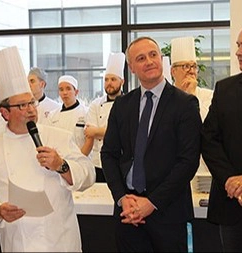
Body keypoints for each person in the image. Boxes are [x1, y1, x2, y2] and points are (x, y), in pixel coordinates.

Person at [0, 46, 95, 252]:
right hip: (18, 241)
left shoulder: (58, 136)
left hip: (59, 239)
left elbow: (88, 175)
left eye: (32, 103)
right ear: (4, 112)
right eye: (22, 106)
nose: (30, 110)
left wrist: (61, 165)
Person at [100, 36, 202, 252]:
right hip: (128, 213)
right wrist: (120, 198)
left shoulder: (185, 104)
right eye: (141, 58)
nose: (149, 61)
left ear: (161, 58)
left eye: (153, 55)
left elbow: (188, 161)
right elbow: (109, 154)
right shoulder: (122, 105)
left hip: (168, 212)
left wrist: (151, 203)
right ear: (132, 67)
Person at [201, 20, 242, 252]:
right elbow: (209, 140)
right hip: (231, 206)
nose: (238, 51)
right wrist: (232, 181)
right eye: (238, 45)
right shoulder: (225, 89)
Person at [170, 36, 213, 193]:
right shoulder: (165, 98)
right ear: (173, 71)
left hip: (203, 172)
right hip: (172, 172)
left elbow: (206, 127)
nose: (191, 71)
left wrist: (192, 95)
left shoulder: (209, 96)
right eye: (185, 66)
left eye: (194, 66)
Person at [83, 52, 125, 182]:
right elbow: (89, 132)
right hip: (98, 162)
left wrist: (97, 131)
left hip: (121, 162)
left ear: (122, 81)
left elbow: (123, 133)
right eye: (106, 80)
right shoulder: (96, 104)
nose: (109, 83)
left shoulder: (128, 103)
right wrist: (101, 131)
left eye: (113, 79)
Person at [47, 75, 89, 152]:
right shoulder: (52, 115)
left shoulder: (86, 113)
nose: (65, 93)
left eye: (68, 89)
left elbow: (89, 141)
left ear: (76, 92)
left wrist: (80, 159)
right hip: (60, 159)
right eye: (61, 90)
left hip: (82, 159)